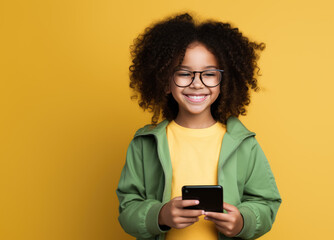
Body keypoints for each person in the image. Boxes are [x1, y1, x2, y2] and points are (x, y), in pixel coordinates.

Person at [116, 13, 282, 240]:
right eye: (184, 73)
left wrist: (243, 221)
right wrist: (160, 215)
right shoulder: (145, 144)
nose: (196, 83)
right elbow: (128, 209)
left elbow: (266, 202)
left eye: (210, 74)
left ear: (224, 82)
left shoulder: (244, 144)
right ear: (165, 82)